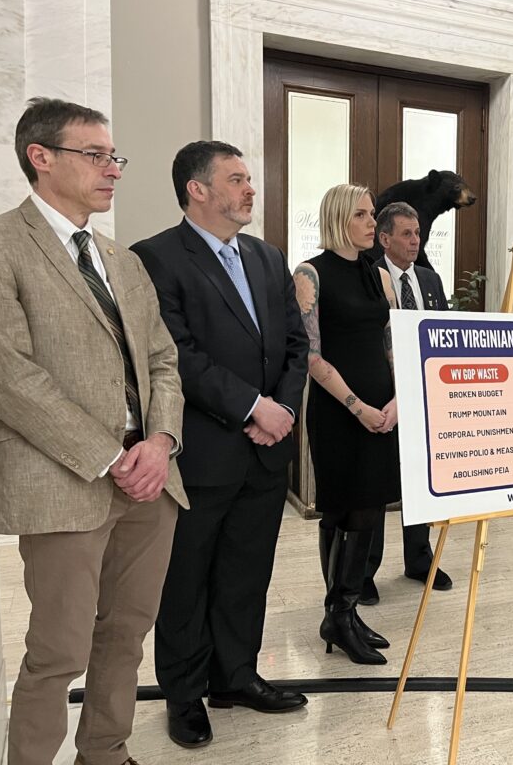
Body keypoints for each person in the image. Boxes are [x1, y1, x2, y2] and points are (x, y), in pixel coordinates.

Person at [0, 97, 187, 765]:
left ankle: (105, 751)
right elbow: (8, 376)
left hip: (151, 483)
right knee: (57, 650)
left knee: (127, 635)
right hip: (63, 480)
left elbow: (163, 358)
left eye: (115, 157)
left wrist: (159, 443)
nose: (113, 170)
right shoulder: (1, 247)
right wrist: (110, 455)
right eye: (95, 155)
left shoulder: (121, 259)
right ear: (40, 158)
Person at [132, 140, 310, 749]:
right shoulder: (155, 258)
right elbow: (175, 354)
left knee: (245, 573)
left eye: (249, 179)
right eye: (236, 180)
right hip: (202, 453)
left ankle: (235, 677)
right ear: (197, 189)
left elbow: (294, 343)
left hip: (265, 451)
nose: (250, 190)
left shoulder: (266, 256)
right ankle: (183, 695)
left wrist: (281, 409)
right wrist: (250, 407)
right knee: (186, 580)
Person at [293, 184, 400, 665]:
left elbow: (393, 343)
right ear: (339, 217)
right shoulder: (310, 274)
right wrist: (358, 407)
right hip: (340, 411)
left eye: (372, 214)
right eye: (361, 214)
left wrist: (399, 399)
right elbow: (312, 357)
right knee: (341, 509)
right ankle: (337, 612)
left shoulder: (382, 276)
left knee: (371, 509)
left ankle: (346, 611)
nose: (370, 223)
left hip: (384, 407)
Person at [363, 201, 453, 602]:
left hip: (425, 394)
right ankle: (365, 569)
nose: (416, 241)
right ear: (385, 239)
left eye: (418, 234)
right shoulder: (369, 277)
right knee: (379, 481)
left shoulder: (430, 281)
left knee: (419, 479)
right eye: (406, 234)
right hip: (382, 396)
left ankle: (419, 559)